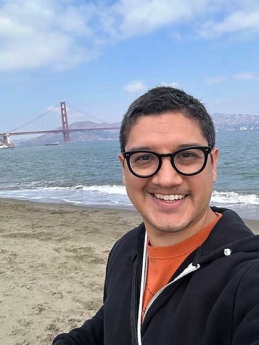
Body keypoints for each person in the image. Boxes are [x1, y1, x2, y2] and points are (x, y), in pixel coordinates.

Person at [52, 86, 259, 345]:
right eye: (144, 158)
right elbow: (112, 321)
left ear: (213, 164)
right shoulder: (126, 249)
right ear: (124, 167)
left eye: (187, 155)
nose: (166, 179)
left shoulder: (248, 278)